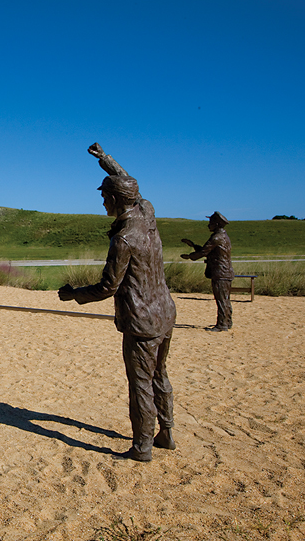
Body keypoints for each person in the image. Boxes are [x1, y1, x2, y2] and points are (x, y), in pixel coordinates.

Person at [58, 148, 177, 462]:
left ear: (116, 199)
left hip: (142, 321)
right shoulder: (146, 211)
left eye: (105, 196)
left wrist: (74, 294)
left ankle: (142, 447)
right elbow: (128, 181)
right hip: (165, 312)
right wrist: (104, 158)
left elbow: (107, 287)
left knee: (140, 382)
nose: (102, 202)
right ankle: (166, 431)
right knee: (160, 375)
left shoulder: (123, 239)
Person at [181, 211, 233, 331]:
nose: (208, 225)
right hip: (225, 272)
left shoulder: (216, 237)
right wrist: (193, 245)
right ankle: (227, 321)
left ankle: (222, 324)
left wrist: (190, 256)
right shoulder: (223, 236)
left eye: (211, 223)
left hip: (220, 273)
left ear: (217, 224)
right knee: (225, 298)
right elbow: (208, 251)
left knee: (221, 299)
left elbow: (204, 252)